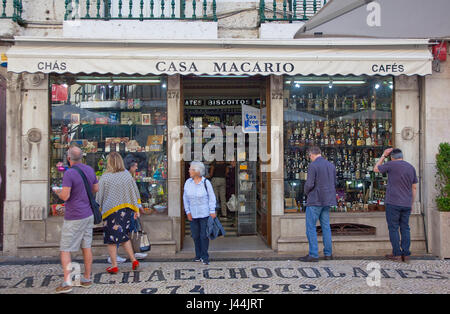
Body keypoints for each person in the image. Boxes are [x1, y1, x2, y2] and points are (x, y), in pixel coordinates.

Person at [53, 146, 98, 294]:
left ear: (68, 158)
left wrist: (58, 192)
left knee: (66, 248)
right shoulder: (89, 170)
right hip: (88, 214)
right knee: (87, 246)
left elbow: (65, 196)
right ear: (82, 157)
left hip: (74, 215)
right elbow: (96, 188)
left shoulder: (69, 173)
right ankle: (86, 278)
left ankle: (67, 281)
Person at [96, 152, 141, 274]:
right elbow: (134, 191)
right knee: (124, 236)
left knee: (111, 239)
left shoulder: (105, 177)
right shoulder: (126, 175)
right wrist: (136, 208)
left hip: (111, 212)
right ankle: (133, 260)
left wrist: (97, 208)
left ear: (109, 162)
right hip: (126, 211)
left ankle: (114, 265)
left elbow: (99, 196)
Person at [374, 148, 418, 263]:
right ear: (402, 156)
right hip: (406, 203)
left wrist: (383, 155)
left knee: (393, 228)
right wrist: (411, 202)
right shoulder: (411, 167)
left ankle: (397, 254)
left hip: (393, 202)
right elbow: (414, 187)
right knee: (405, 227)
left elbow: (375, 169)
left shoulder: (391, 165)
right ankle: (406, 254)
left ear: (392, 157)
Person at [299, 146, 336, 263]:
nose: (309, 158)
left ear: (311, 155)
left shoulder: (313, 165)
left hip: (315, 200)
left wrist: (306, 192)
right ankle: (328, 254)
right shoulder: (331, 165)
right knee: (326, 227)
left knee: (310, 227)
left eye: (309, 156)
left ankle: (314, 254)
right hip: (328, 200)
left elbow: (309, 184)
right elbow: (334, 182)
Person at [184, 161, 217, 265]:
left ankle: (204, 256)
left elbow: (212, 197)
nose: (189, 171)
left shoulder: (206, 183)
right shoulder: (188, 183)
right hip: (193, 214)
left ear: (197, 171)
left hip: (205, 214)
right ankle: (198, 255)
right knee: (195, 235)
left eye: (191, 169)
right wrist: (187, 211)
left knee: (204, 235)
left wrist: (212, 211)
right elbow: (185, 198)